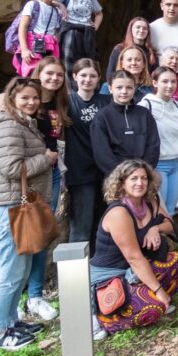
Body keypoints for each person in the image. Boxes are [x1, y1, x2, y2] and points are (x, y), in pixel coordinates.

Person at [0, 77, 55, 349]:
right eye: (25, 98)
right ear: (12, 99)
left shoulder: (22, 122)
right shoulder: (10, 125)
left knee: (19, 268)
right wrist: (46, 159)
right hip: (8, 205)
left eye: (35, 97)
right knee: (11, 270)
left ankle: (11, 321)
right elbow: (12, 168)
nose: (31, 102)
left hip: (14, 204)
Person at [90, 160, 178, 336]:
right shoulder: (118, 213)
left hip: (131, 272)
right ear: (122, 182)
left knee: (177, 261)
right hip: (110, 275)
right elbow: (134, 258)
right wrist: (159, 292)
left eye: (143, 178)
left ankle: (140, 296)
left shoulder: (150, 201)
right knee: (154, 308)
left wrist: (155, 228)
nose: (139, 183)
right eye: (133, 178)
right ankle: (104, 318)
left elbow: (170, 225)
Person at [22, 57, 70, 320]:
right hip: (28, 178)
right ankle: (23, 295)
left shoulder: (59, 103)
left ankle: (35, 295)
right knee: (26, 236)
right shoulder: (28, 100)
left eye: (59, 75)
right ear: (39, 73)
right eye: (49, 73)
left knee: (41, 236)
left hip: (50, 175)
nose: (54, 78)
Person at [142, 67, 178, 220]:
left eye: (173, 81)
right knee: (159, 209)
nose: (170, 85)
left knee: (172, 209)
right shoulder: (146, 106)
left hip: (177, 164)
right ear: (155, 83)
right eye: (165, 81)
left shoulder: (177, 106)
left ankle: (169, 243)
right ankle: (156, 242)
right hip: (158, 165)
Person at [65, 59, 111, 250]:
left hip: (105, 171)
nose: (88, 80)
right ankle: (77, 278)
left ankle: (101, 270)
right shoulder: (67, 101)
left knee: (105, 224)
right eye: (83, 75)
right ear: (75, 77)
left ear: (99, 78)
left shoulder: (106, 101)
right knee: (81, 227)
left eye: (92, 76)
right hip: (80, 171)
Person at [90, 70, 160, 177]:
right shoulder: (102, 117)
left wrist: (142, 171)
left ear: (134, 89)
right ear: (110, 89)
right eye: (119, 87)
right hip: (115, 178)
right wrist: (123, 175)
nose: (124, 91)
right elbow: (102, 153)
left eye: (129, 87)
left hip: (142, 177)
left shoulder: (144, 114)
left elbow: (153, 146)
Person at [56, 0, 102, 78]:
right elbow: (47, 1)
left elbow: (99, 13)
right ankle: (69, 91)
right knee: (68, 63)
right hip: (70, 31)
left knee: (88, 62)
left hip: (87, 32)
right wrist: (60, 4)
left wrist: (95, 26)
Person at [14, 0, 62, 77]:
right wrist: (24, 49)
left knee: (47, 74)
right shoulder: (32, 5)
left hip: (50, 46)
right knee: (32, 74)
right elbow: (23, 26)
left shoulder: (56, 11)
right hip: (33, 43)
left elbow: (55, 31)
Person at [106, 17, 157, 83]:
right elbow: (111, 71)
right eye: (138, 27)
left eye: (145, 28)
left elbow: (154, 74)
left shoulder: (151, 52)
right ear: (131, 29)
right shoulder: (119, 48)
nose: (141, 30)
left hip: (143, 88)